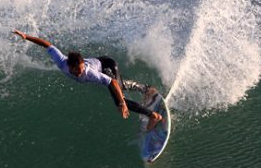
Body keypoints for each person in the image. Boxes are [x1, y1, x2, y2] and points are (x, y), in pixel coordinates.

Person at [12, 29, 163, 130]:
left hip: (107, 65)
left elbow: (112, 82)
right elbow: (47, 45)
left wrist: (122, 103)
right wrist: (26, 37)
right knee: (120, 86)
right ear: (69, 66)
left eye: (81, 69)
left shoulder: (89, 72)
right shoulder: (61, 61)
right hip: (101, 64)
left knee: (119, 97)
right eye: (76, 70)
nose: (79, 73)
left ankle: (153, 116)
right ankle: (145, 89)